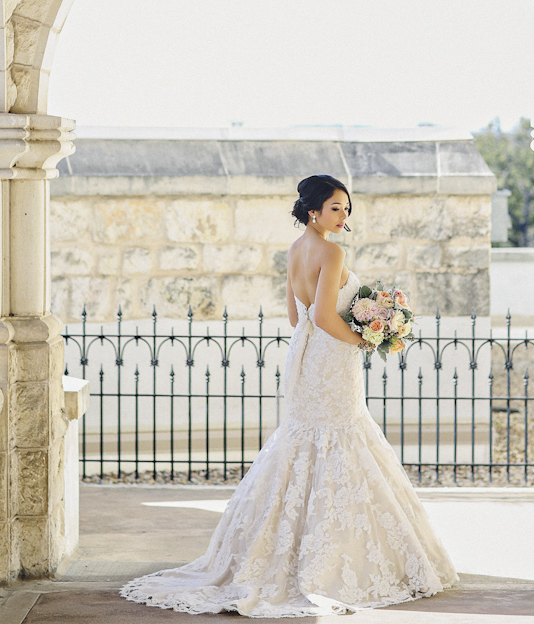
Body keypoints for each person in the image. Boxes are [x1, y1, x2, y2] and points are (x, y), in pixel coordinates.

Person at [121, 174, 458, 616]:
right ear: (313, 210)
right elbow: (321, 316)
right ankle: (331, 559)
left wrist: (349, 330)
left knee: (305, 439)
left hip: (303, 356)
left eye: (346, 208)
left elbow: (294, 314)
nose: (343, 215)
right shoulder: (332, 252)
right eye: (335, 207)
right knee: (340, 438)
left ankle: (285, 549)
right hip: (331, 356)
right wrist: (364, 340)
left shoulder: (295, 250)